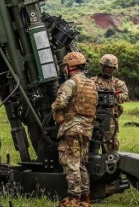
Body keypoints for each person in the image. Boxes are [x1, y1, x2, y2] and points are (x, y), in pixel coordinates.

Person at [51, 51, 98, 207]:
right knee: (82, 164)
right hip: (86, 130)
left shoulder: (70, 83)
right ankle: (85, 198)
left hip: (71, 128)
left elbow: (61, 102)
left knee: (71, 163)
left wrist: (55, 108)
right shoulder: (92, 84)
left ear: (69, 67)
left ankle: (73, 199)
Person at [91, 54, 128, 152]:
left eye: (110, 67)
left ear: (114, 68)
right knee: (91, 146)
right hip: (93, 117)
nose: (107, 69)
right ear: (101, 66)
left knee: (110, 147)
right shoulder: (91, 82)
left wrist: (112, 95)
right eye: (105, 66)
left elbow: (124, 97)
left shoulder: (119, 84)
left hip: (110, 119)